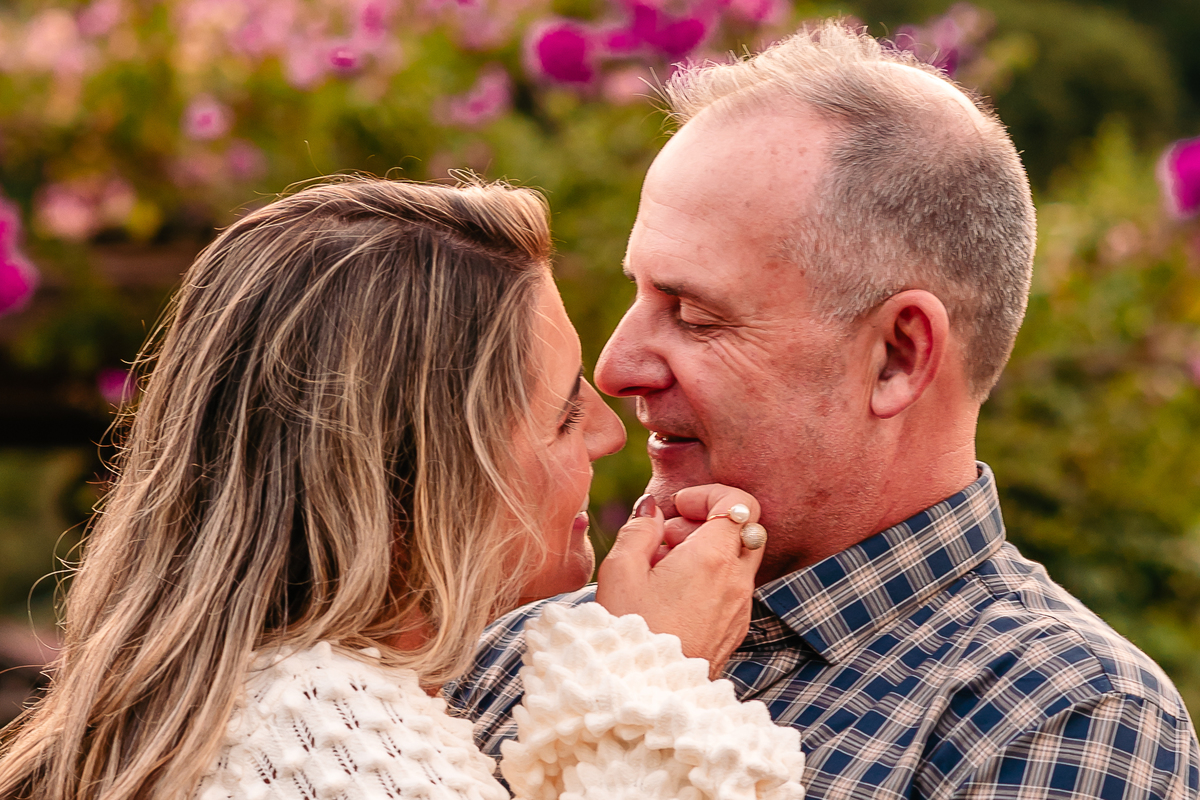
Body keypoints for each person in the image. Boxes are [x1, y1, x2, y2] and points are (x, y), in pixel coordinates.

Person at [447, 23, 1200, 800]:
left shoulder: (1057, 716)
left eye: (696, 315)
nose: (615, 366)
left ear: (897, 357)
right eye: (639, 291)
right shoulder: (531, 642)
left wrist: (638, 695)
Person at [0, 179, 807, 800]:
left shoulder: (249, 710)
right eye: (562, 414)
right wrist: (652, 676)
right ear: (409, 486)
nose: (606, 432)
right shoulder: (320, 734)